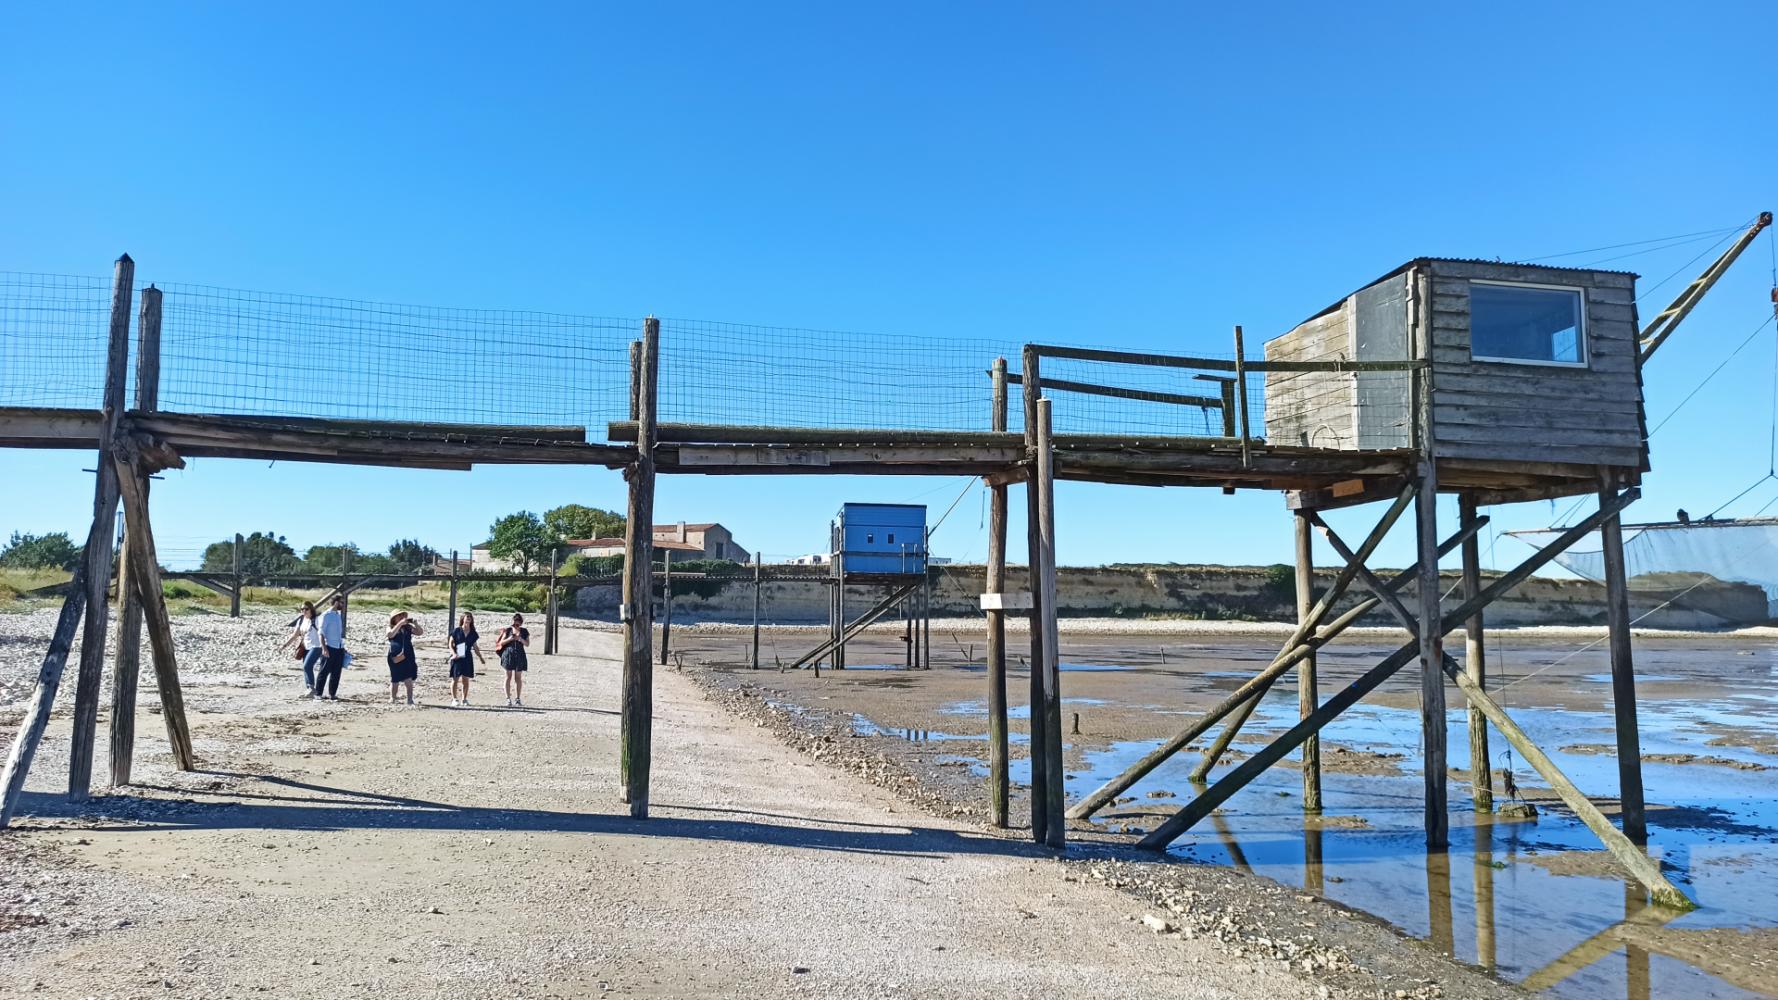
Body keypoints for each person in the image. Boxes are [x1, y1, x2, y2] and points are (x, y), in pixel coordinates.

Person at [277, 600, 324, 696]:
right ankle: (309, 689)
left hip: (316, 646)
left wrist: (326, 646)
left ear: (311, 609)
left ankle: (311, 688)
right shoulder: (301, 620)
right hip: (305, 647)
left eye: (306, 609)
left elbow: (323, 633)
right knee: (305, 667)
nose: (304, 611)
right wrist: (284, 645)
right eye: (302, 609)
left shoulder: (317, 620)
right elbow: (295, 635)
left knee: (307, 665)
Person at [447, 611, 486, 706]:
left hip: (467, 656)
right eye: (467, 616)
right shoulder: (457, 630)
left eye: (470, 617)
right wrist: (453, 653)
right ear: (463, 618)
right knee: (455, 678)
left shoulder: (473, 633)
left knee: (466, 679)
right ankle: (454, 699)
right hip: (457, 655)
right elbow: (450, 643)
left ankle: (464, 699)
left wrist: (480, 657)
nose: (468, 618)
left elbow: (475, 647)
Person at [386, 610, 424, 705]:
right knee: (395, 678)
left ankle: (410, 699)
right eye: (399, 616)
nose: (401, 617)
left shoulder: (408, 627)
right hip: (395, 655)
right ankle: (393, 698)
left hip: (408, 654)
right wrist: (399, 624)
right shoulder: (390, 627)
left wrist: (415, 624)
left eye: (403, 616)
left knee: (408, 678)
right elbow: (390, 634)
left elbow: (419, 632)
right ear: (394, 618)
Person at [313, 596, 347, 701]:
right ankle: (318, 694)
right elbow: (321, 633)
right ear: (336, 603)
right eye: (342, 602)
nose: (343, 605)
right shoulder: (326, 615)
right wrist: (324, 648)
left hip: (339, 647)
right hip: (329, 647)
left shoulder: (337, 615)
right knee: (324, 671)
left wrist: (343, 647)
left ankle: (332, 694)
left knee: (336, 672)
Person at [495, 613, 530, 707]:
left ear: (521, 622)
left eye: (518, 622)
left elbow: (527, 644)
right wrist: (510, 639)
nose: (516, 624)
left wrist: (520, 639)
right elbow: (501, 642)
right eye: (515, 622)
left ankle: (518, 698)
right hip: (508, 654)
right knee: (508, 677)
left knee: (518, 677)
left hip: (519, 654)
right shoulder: (508, 630)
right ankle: (508, 698)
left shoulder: (524, 631)